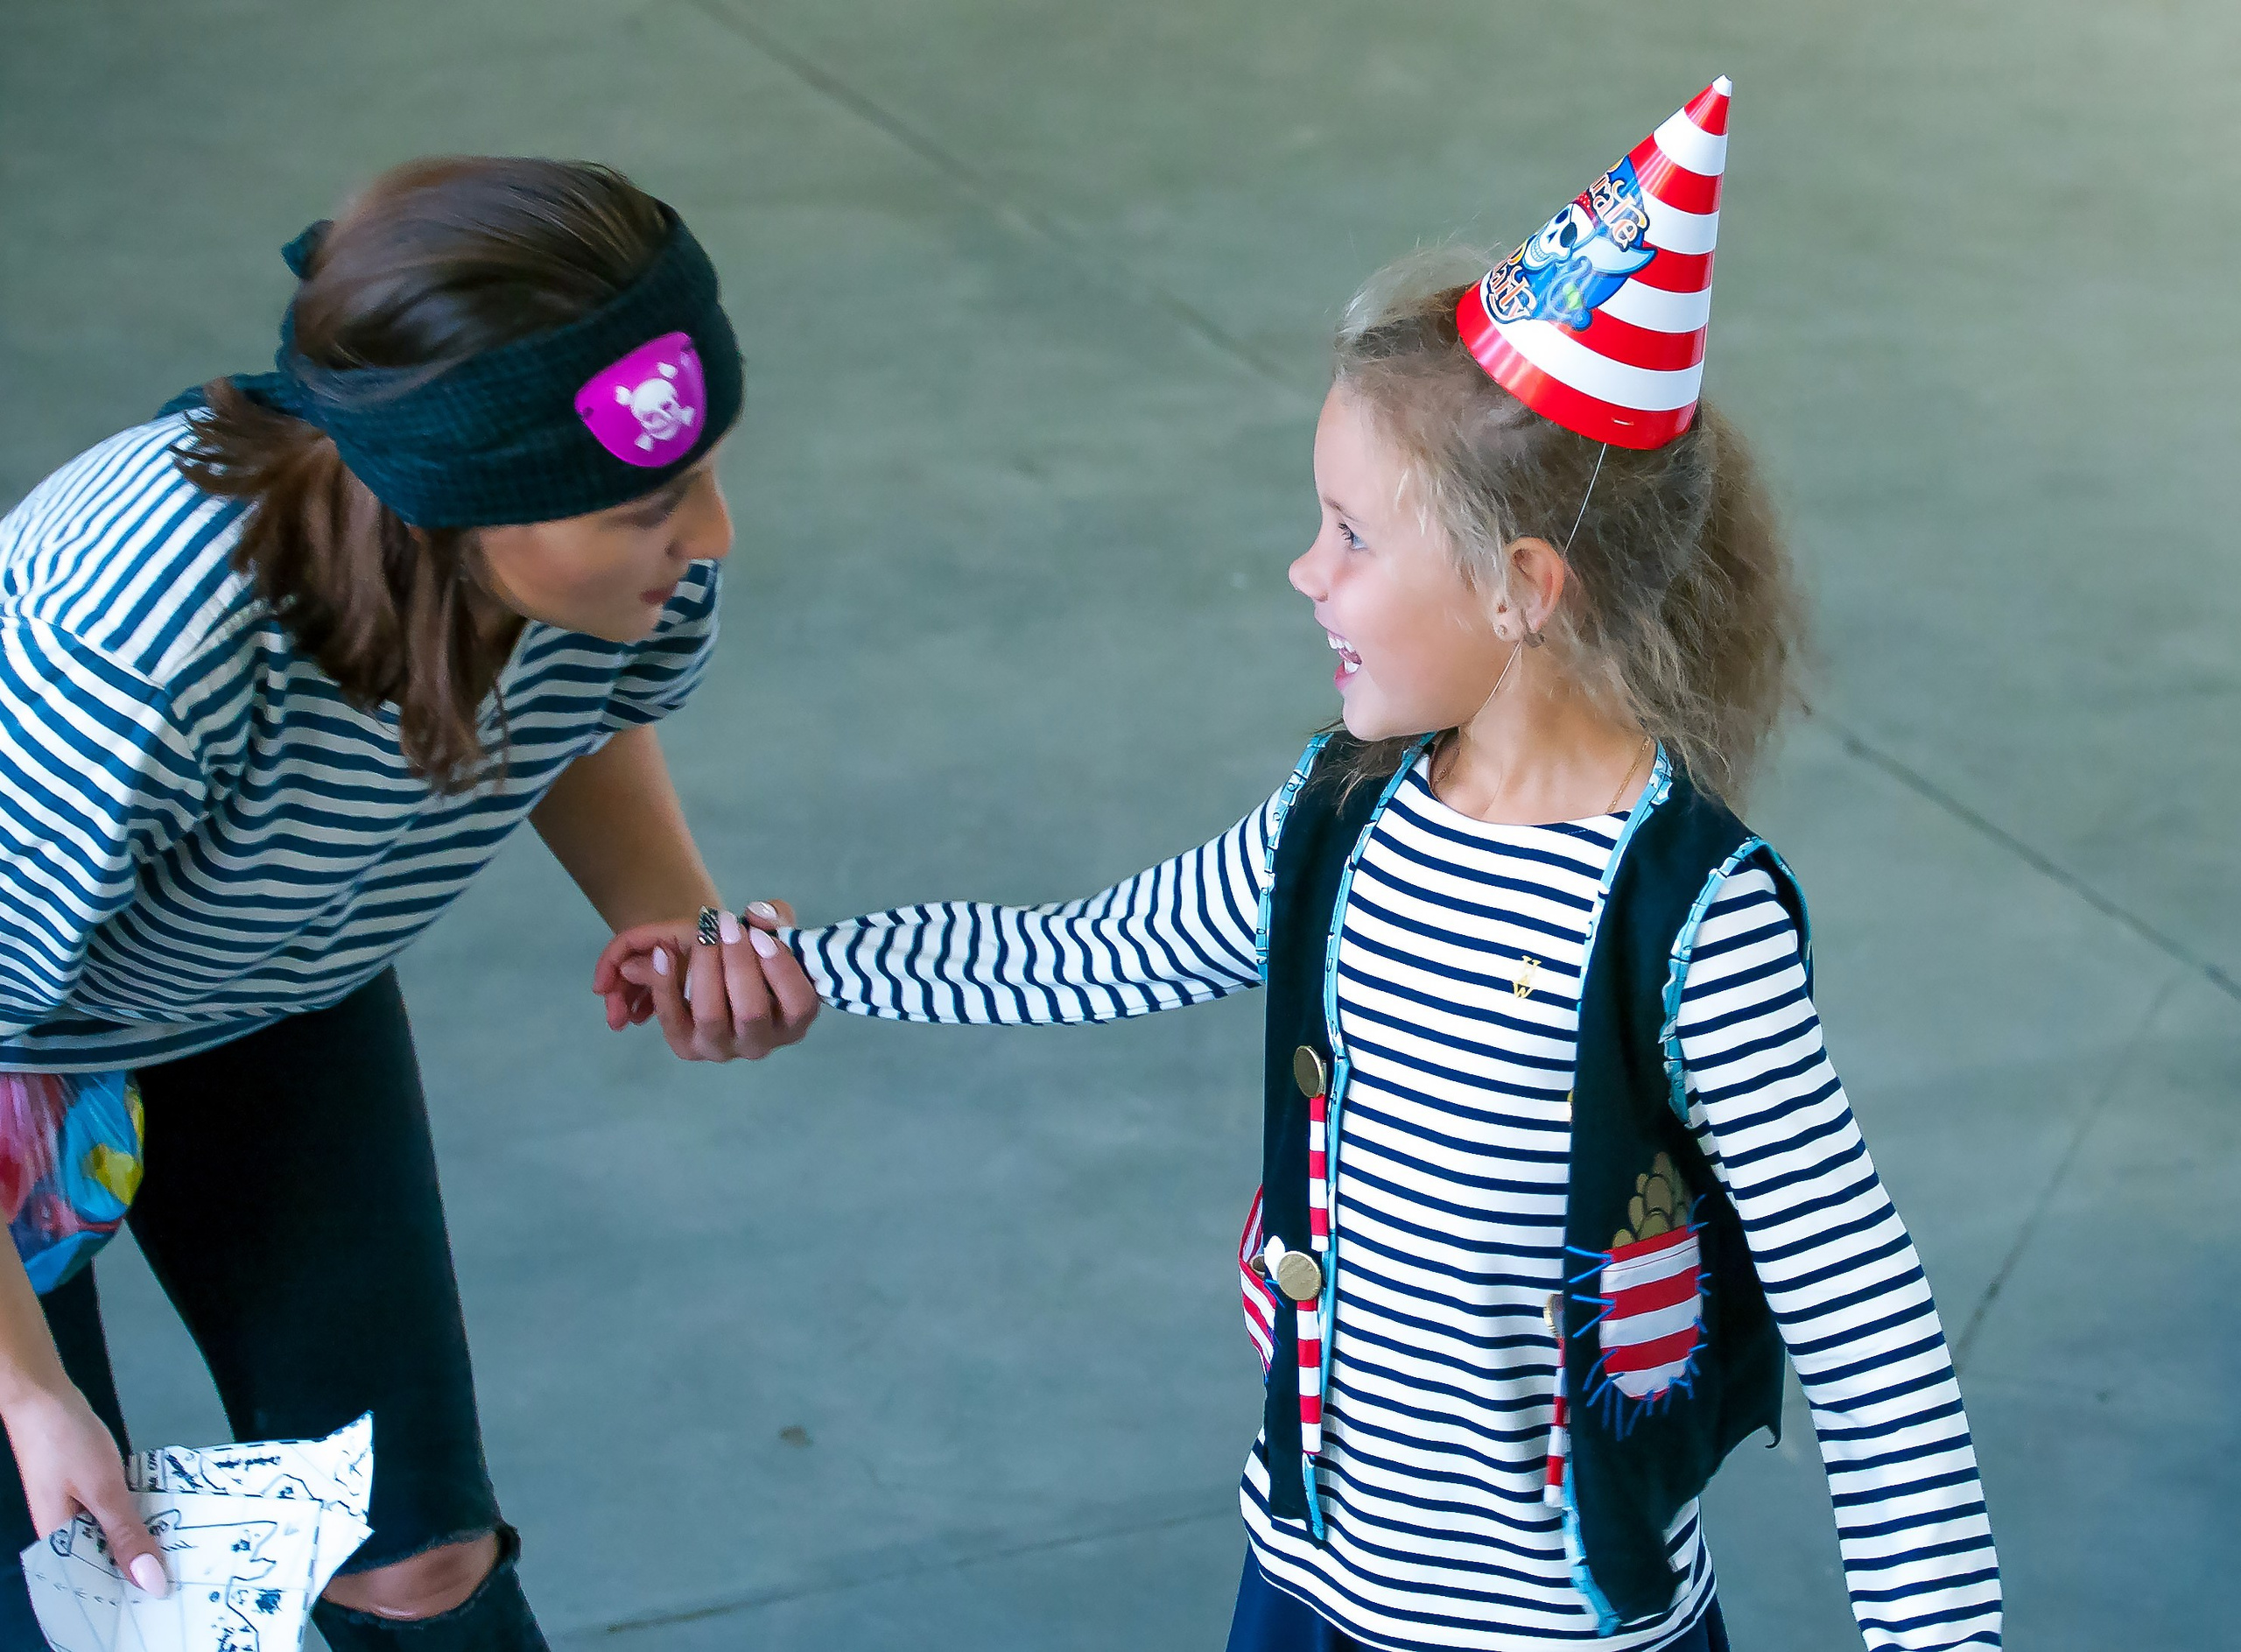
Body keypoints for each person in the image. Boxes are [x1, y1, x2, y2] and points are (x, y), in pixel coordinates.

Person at [608, 81, 2001, 1650]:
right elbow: (1092, 949)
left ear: (1519, 590)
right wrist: (802, 957)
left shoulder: (1688, 923)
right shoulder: (1344, 819)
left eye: (1349, 533)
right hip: (1305, 1586)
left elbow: (1868, 1336)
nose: (1303, 571)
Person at [0, 156, 818, 1651]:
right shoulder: (142, 635)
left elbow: (573, 712)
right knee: (71, 1592)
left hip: (259, 993)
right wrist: (28, 1393)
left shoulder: (611, 559)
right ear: (459, 500)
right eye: (652, 504)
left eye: (706, 473)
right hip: (15, 1027)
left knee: (418, 1557)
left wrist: (680, 921)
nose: (711, 536)